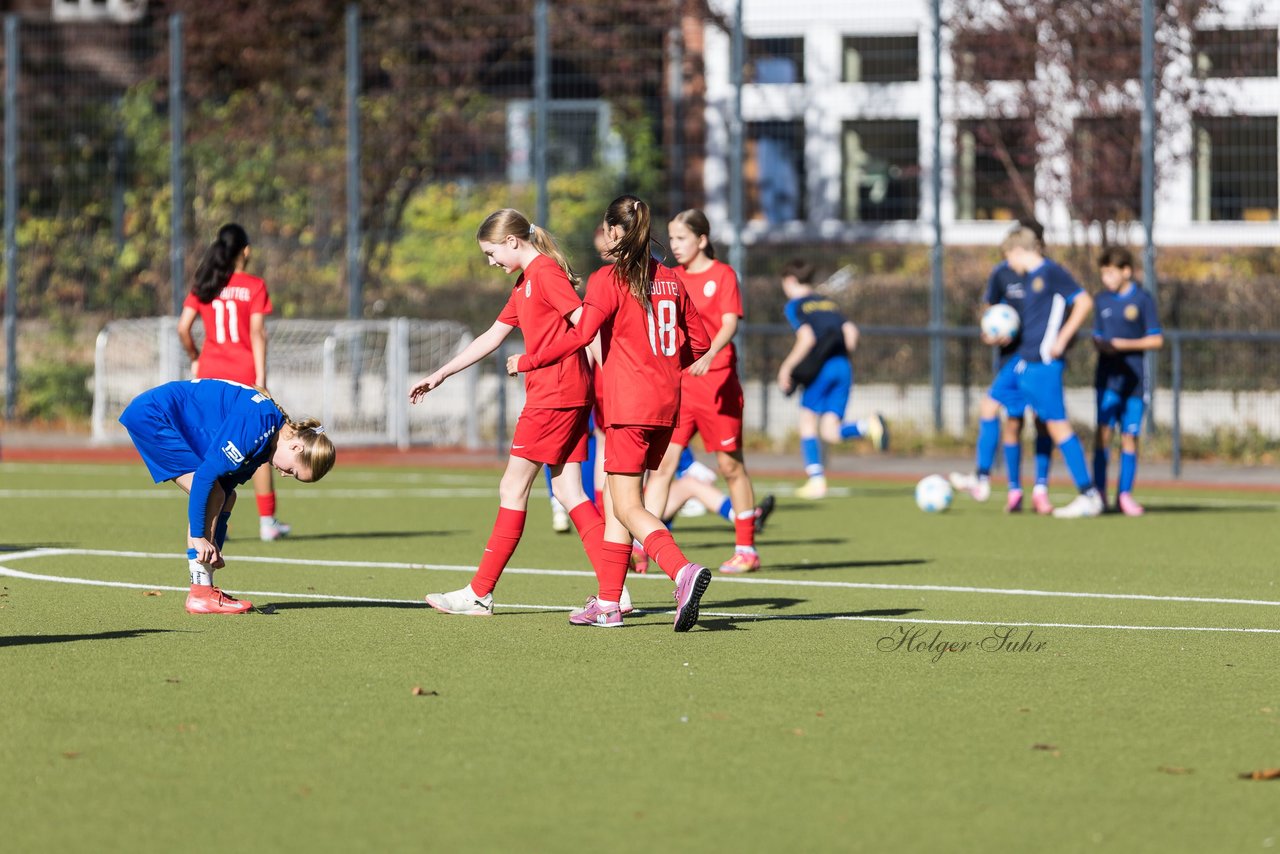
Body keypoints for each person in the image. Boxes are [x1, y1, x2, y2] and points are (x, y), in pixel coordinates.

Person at [508, 194, 713, 631]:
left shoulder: (607, 279)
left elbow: (581, 334)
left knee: (625, 505)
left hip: (629, 406)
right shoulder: (671, 279)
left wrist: (528, 360)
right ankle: (607, 603)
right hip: (665, 405)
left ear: (615, 232)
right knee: (622, 503)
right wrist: (663, 365)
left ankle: (681, 571)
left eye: (606, 228)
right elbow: (701, 341)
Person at [410, 208, 614, 617]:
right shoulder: (526, 281)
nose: (491, 262)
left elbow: (584, 325)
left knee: (512, 488)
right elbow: (492, 335)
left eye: (491, 253)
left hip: (554, 396)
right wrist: (442, 373)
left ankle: (479, 593)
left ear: (512, 242)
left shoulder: (544, 274)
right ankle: (615, 590)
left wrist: (606, 382)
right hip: (564, 394)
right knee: (570, 491)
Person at [118, 379, 335, 614]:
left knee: (225, 497)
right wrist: (200, 537)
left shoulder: (265, 443)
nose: (284, 475)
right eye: (292, 471)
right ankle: (200, 594)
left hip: (162, 416)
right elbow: (205, 479)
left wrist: (215, 547)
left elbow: (226, 491)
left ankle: (203, 588)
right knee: (212, 492)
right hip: (153, 415)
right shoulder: (259, 423)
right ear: (296, 448)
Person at [634, 208, 764, 574]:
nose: (674, 246)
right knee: (661, 467)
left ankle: (746, 549)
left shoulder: (722, 276)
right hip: (680, 386)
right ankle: (646, 545)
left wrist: (709, 352)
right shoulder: (669, 278)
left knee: (730, 465)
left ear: (702, 239)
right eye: (671, 239)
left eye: (681, 239)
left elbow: (729, 322)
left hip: (718, 384)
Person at [177, 223, 292, 542]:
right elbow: (257, 332)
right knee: (261, 445)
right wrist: (261, 378)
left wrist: (195, 356)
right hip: (243, 375)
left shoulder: (205, 282)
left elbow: (183, 327)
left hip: (209, 377)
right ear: (246, 250)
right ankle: (267, 521)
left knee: (210, 449)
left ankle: (206, 522)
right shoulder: (253, 285)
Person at [949, 219, 1056, 514]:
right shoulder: (1002, 272)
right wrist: (991, 329)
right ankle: (1013, 489)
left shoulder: (1048, 274)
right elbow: (989, 308)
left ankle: (1039, 488)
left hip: (1037, 358)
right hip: (1010, 358)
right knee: (1012, 421)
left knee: (1043, 422)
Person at [999, 224, 1105, 518]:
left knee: (1058, 426)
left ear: (1019, 251)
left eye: (1009, 257)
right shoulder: (1033, 277)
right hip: (1026, 363)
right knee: (995, 401)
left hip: (1045, 364)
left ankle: (1088, 494)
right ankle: (987, 478)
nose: (1009, 265)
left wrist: (1063, 338)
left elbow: (1084, 301)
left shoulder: (1051, 271)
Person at [775, 259, 888, 500]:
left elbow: (807, 338)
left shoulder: (795, 305)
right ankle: (867, 426)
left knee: (807, 421)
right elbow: (851, 334)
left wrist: (787, 368)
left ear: (790, 281)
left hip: (823, 369)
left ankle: (816, 481)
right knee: (830, 431)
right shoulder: (828, 303)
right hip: (843, 366)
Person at [1091, 246, 1163, 515]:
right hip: (1107, 380)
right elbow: (1097, 336)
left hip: (1135, 381)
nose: (1106, 279)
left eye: (1110, 273)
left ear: (1126, 272)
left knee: (1130, 436)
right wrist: (1103, 345)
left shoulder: (1143, 300)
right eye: (1103, 273)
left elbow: (1156, 339)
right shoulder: (1101, 301)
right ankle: (1098, 493)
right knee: (1103, 435)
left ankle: (1124, 495)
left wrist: (1123, 345)